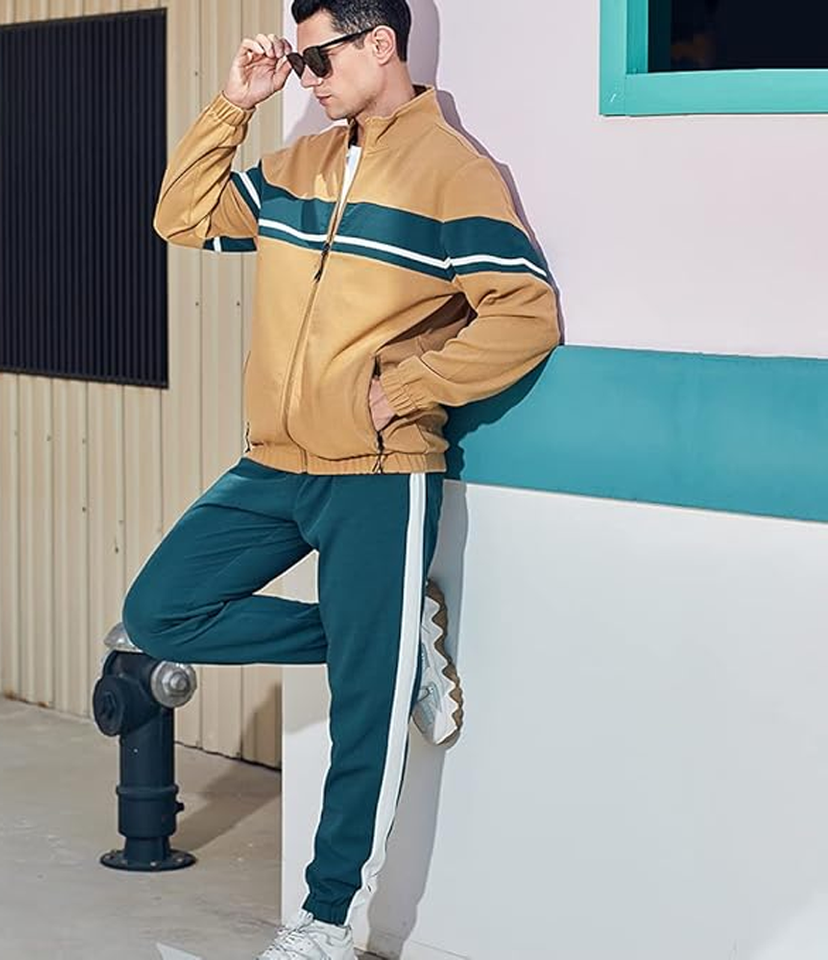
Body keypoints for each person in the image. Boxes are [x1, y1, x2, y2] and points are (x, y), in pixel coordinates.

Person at [122, 1, 560, 956]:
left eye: (320, 59)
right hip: (274, 461)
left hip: (378, 471)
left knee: (366, 715)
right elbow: (180, 217)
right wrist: (235, 105)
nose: (308, 79)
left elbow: (526, 313)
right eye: (300, 62)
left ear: (381, 44)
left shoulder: (453, 172)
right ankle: (393, 648)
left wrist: (408, 389)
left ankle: (324, 924)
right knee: (160, 614)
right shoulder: (299, 166)